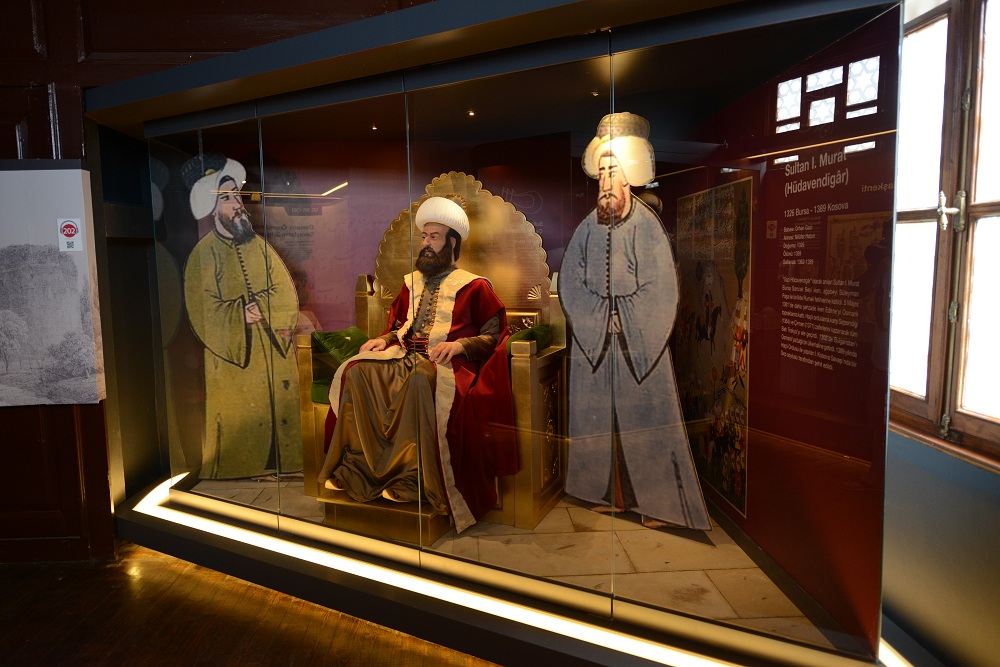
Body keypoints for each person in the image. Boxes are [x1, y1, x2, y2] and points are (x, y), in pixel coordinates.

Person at [317, 195, 517, 533]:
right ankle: (358, 471)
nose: (426, 243)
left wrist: (459, 345)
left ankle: (412, 481)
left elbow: (494, 335)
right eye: (424, 236)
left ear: (452, 242)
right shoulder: (411, 283)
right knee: (357, 370)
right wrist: (384, 340)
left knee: (417, 381)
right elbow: (398, 326)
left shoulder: (476, 286)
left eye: (434, 237)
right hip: (405, 355)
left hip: (448, 365)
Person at [560, 112, 710, 529]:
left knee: (648, 426)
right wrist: (598, 320)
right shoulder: (587, 228)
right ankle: (607, 495)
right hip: (596, 348)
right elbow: (571, 283)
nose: (605, 182)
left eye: (614, 172)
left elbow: (661, 289)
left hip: (638, 349)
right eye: (602, 173)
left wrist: (623, 319)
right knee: (599, 424)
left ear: (630, 177)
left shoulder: (648, 226)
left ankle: (659, 506)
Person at [181, 154, 302, 479]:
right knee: (241, 418)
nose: (237, 204)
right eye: (227, 198)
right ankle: (242, 468)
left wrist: (263, 307)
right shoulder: (203, 254)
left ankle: (285, 466)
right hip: (235, 359)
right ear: (212, 207)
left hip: (273, 352)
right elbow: (202, 308)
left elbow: (284, 290)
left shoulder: (260, 246)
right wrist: (238, 315)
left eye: (236, 195)